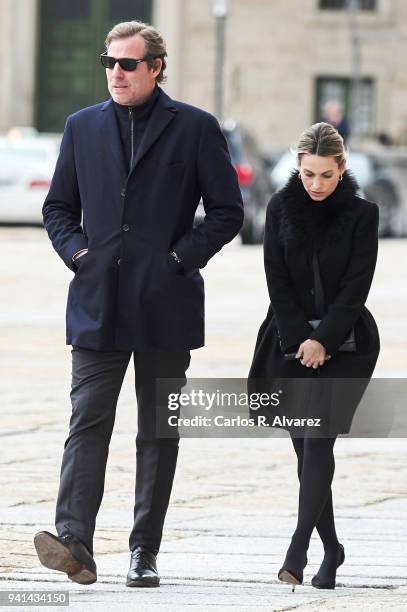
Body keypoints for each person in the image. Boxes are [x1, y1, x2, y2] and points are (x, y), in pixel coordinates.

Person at [34, 20, 243, 588]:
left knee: (157, 430)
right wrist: (79, 255)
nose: (117, 74)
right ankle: (75, 539)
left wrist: (178, 260)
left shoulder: (196, 129)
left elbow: (228, 213)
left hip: (165, 306)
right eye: (110, 64)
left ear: (156, 67)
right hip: (97, 300)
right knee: (87, 423)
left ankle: (143, 551)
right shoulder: (81, 127)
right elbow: (58, 208)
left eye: (128, 64)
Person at [249, 123, 380, 590]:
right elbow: (276, 280)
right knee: (305, 450)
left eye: (326, 175)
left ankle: (298, 548)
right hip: (287, 339)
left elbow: (355, 287)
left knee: (318, 438)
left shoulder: (363, 215)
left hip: (346, 342)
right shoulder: (280, 207)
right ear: (297, 167)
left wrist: (323, 339)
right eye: (308, 174)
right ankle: (333, 549)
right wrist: (300, 340)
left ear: (342, 168)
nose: (317, 184)